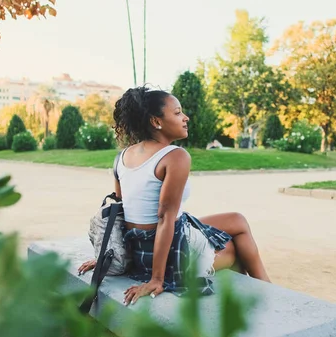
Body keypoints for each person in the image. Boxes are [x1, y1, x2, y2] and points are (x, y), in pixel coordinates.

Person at [77, 86, 270, 306]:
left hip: (137, 250)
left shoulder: (123, 156)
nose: (185, 118)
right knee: (236, 251)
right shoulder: (176, 156)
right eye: (177, 113)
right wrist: (156, 279)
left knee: (236, 220)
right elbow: (164, 218)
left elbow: (122, 209)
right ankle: (267, 293)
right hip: (163, 256)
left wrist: (108, 254)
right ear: (156, 121)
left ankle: (260, 292)